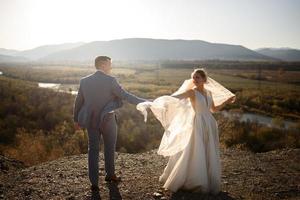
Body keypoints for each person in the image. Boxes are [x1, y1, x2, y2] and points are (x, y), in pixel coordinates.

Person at [137, 68, 235, 194]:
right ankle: (195, 181)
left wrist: (227, 101)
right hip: (197, 122)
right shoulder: (191, 92)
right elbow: (175, 98)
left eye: (197, 77)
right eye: (193, 77)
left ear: (204, 79)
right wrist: (156, 103)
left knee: (207, 149)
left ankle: (208, 179)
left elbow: (214, 109)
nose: (194, 80)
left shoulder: (208, 93)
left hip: (209, 123)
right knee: (195, 149)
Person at [73, 56, 146, 192]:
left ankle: (94, 183)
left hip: (91, 120)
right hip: (108, 120)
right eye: (109, 64)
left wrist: (76, 119)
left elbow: (78, 101)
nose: (111, 67)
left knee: (93, 150)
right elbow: (126, 96)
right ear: (103, 64)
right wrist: (145, 102)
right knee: (109, 148)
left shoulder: (84, 81)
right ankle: (110, 175)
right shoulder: (111, 81)